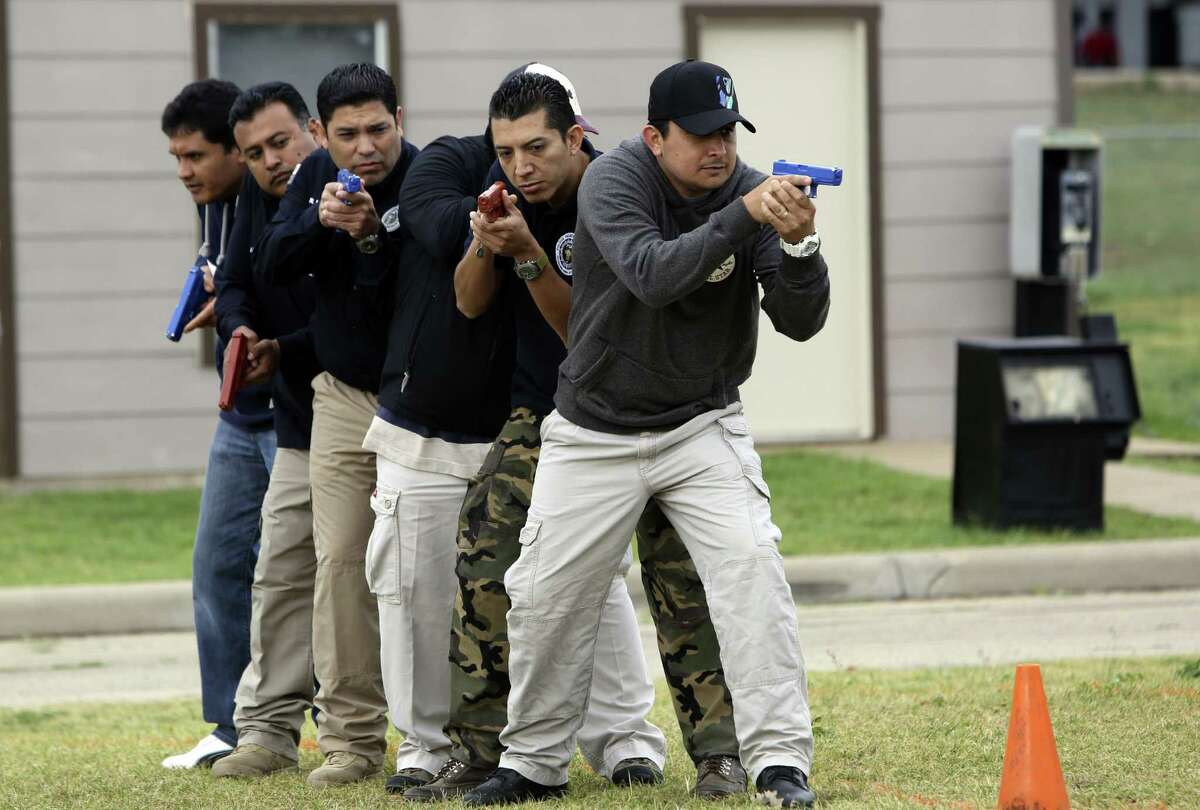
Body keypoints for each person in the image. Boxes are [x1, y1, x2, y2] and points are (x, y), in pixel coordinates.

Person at [465, 60, 830, 808]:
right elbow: (653, 276)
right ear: (653, 137)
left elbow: (800, 322)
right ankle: (533, 763)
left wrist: (799, 248)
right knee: (545, 596)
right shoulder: (616, 180)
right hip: (595, 423)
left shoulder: (749, 192)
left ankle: (780, 764)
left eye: (727, 133)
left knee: (753, 571)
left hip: (702, 423)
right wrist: (745, 217)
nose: (718, 150)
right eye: (699, 136)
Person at [409, 65, 744, 803]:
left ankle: (720, 754)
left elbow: (578, 332)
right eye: (505, 153)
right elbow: (468, 305)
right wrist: (488, 242)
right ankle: (485, 753)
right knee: (485, 555)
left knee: (680, 577)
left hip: (655, 404)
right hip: (550, 413)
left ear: (576, 137)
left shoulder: (621, 190)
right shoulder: (511, 197)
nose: (522, 167)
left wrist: (529, 252)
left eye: (537, 148)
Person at [256, 62, 416, 788]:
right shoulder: (313, 174)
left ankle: (447, 736)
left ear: (400, 118)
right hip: (342, 398)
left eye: (378, 128)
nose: (365, 148)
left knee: (433, 571)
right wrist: (324, 223)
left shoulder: (429, 175)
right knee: (341, 564)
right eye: (347, 133)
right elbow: (273, 266)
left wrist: (372, 234)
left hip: (428, 404)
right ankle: (352, 740)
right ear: (321, 134)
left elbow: (425, 280)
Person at [357, 119, 516, 795]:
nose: (528, 161)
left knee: (573, 593)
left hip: (522, 427)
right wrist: (498, 217)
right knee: (411, 592)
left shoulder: (589, 188)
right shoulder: (444, 164)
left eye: (551, 141)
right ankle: (421, 746)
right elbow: (435, 225)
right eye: (514, 147)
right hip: (420, 428)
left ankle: (621, 741)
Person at [160, 79, 277, 770]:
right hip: (238, 418)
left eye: (195, 156)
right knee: (218, 567)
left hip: (296, 415)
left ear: (236, 151)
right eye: (175, 157)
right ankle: (231, 726)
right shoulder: (215, 208)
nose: (184, 172)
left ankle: (343, 721)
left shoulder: (277, 200)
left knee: (319, 577)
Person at [207, 81, 323, 779]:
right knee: (278, 574)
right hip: (299, 419)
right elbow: (235, 281)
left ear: (312, 128)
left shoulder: (350, 190)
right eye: (254, 153)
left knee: (377, 584)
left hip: (389, 412)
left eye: (281, 142)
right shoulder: (256, 196)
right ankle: (269, 731)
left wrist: (289, 347)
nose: (272, 162)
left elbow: (358, 322)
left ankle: (388, 735)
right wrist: (240, 327)